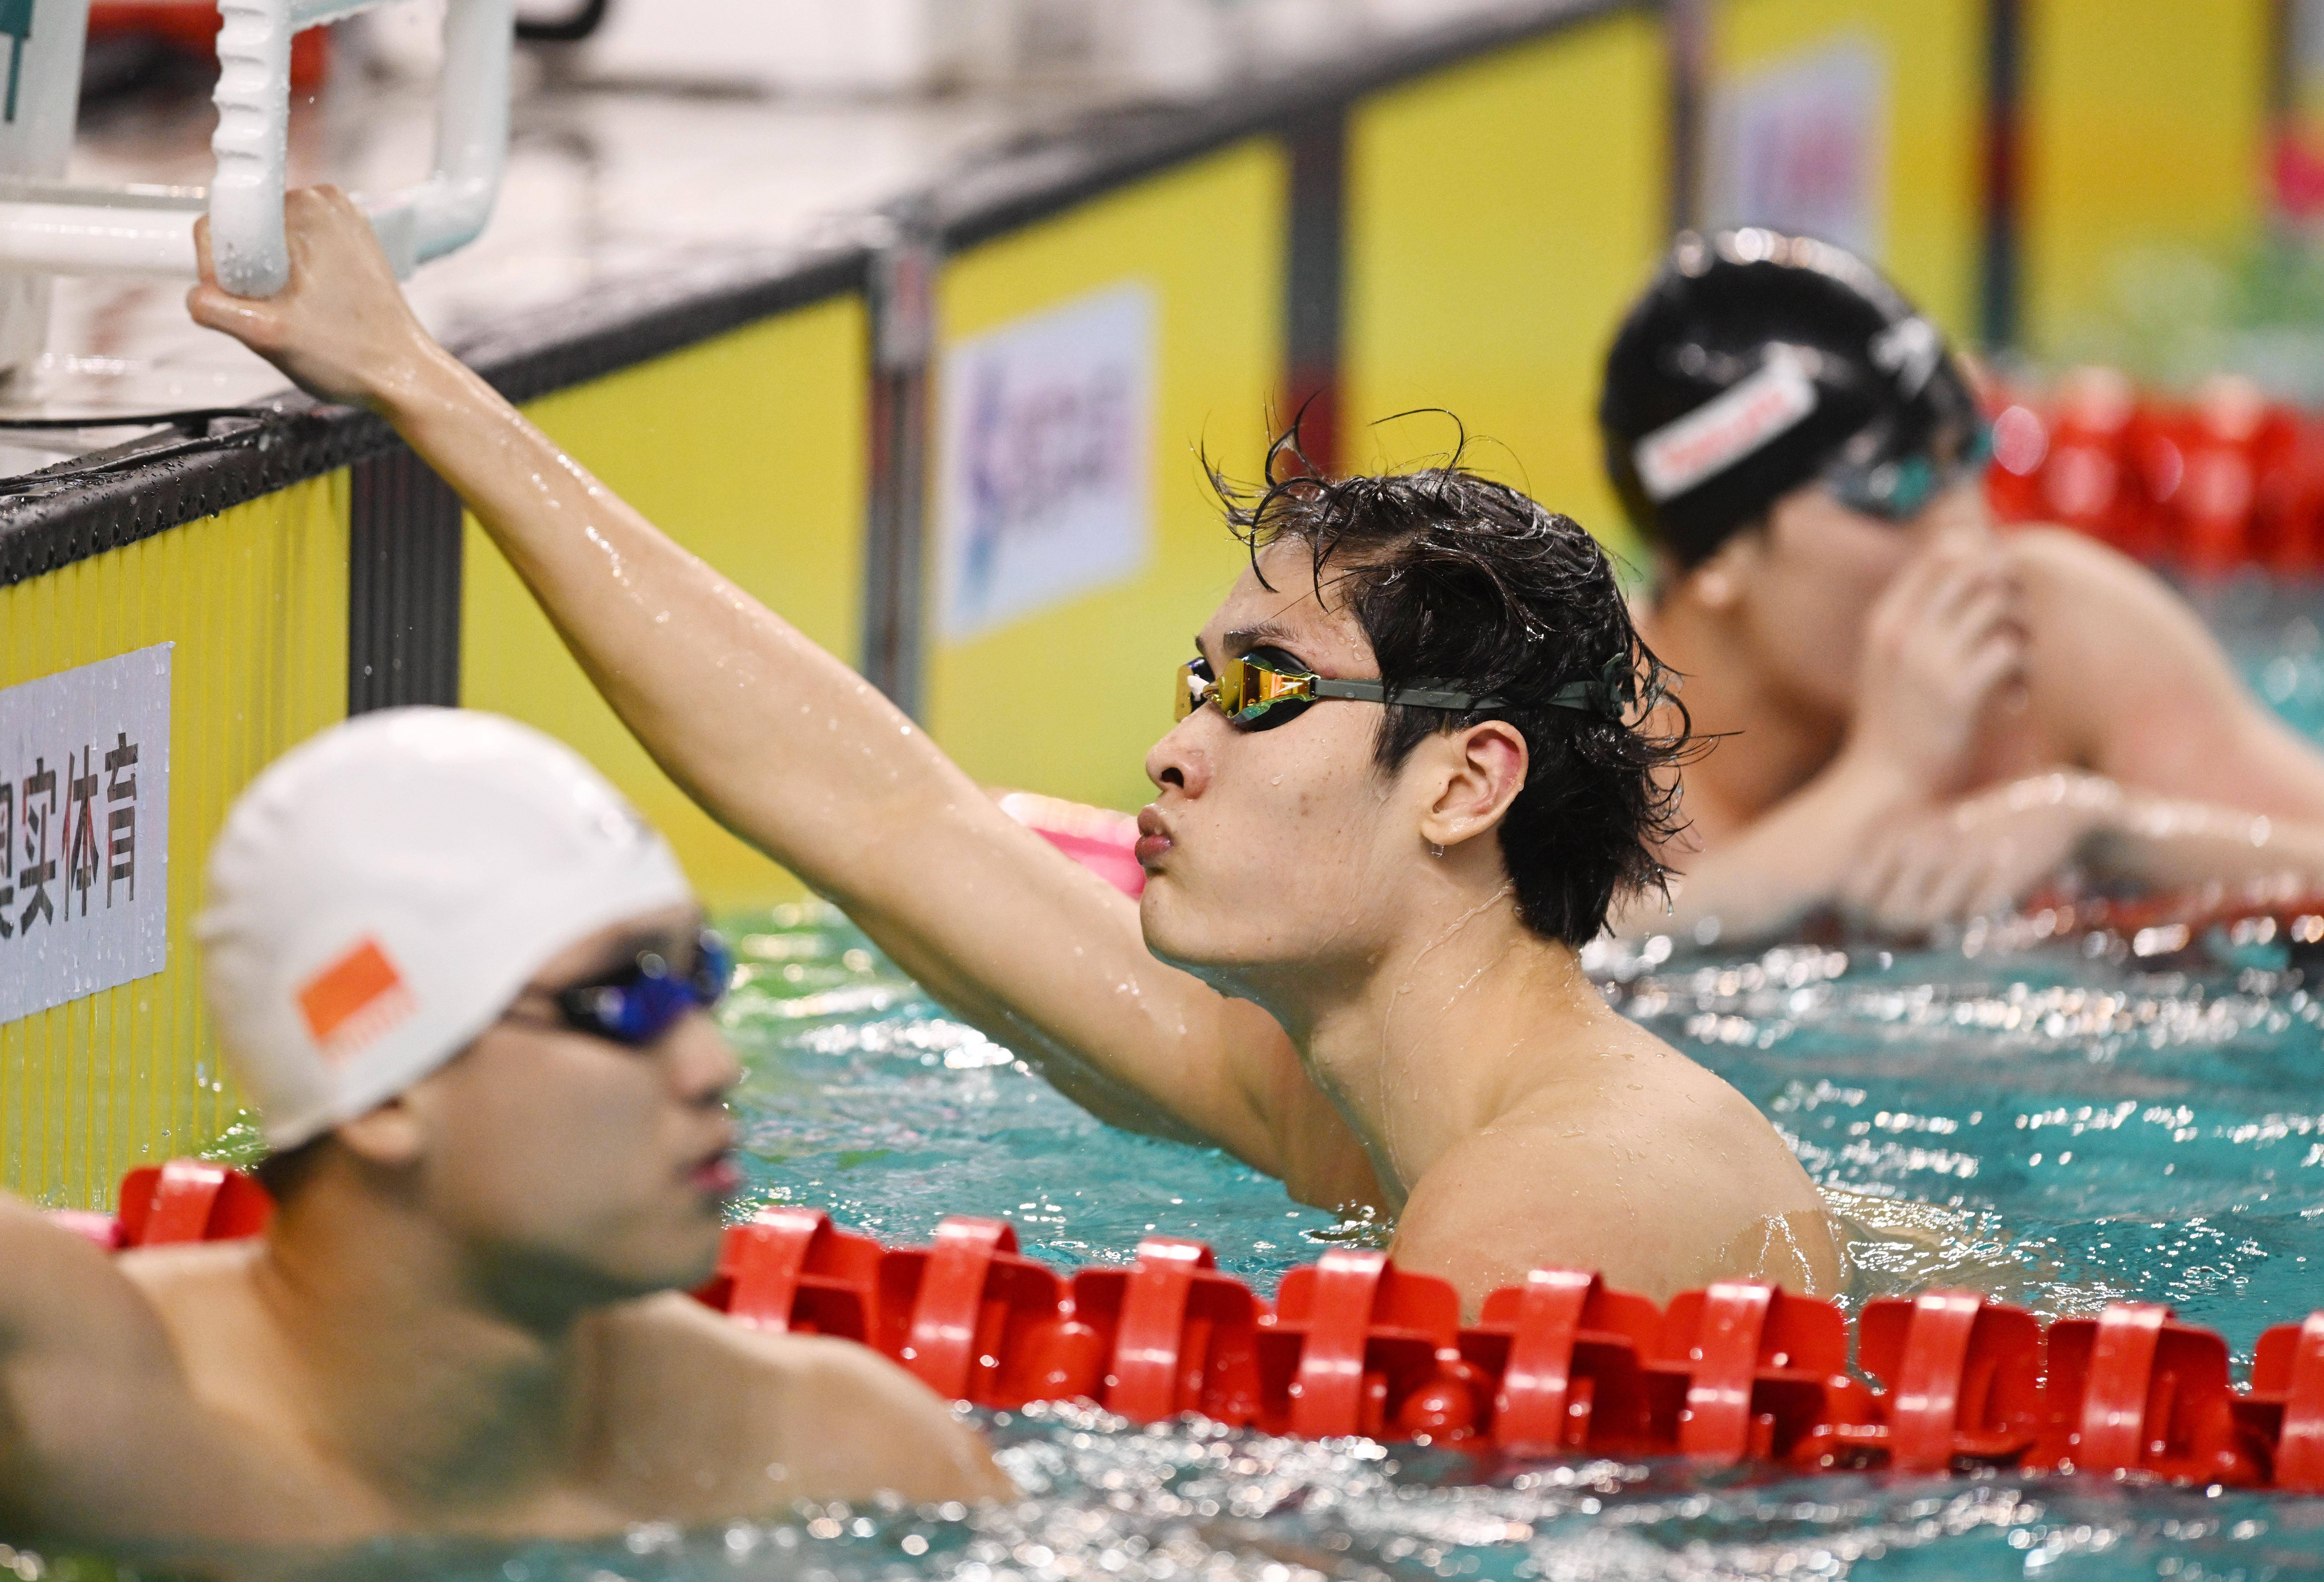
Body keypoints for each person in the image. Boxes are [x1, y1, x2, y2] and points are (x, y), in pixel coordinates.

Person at [186, 187, 1844, 1311]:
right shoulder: (1353, 1105)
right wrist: (414, 376)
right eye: (1195, 686)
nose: (1170, 750)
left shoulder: (1526, 1221)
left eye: (1260, 692)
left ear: (1466, 782)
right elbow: (881, 816)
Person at [0, 709, 1005, 1548]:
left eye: (697, 977)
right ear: (386, 1094)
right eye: (620, 997)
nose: (712, 1062)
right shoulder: (104, 1408)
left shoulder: (844, 1457)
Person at [1601, 228, 2324, 944]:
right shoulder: (1589, 746)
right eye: (1895, 491)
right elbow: (1579, 964)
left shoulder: (2054, 635)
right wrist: (1882, 782)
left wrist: (2109, 832)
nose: (1972, 541)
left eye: (1968, 461)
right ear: (1714, 553)